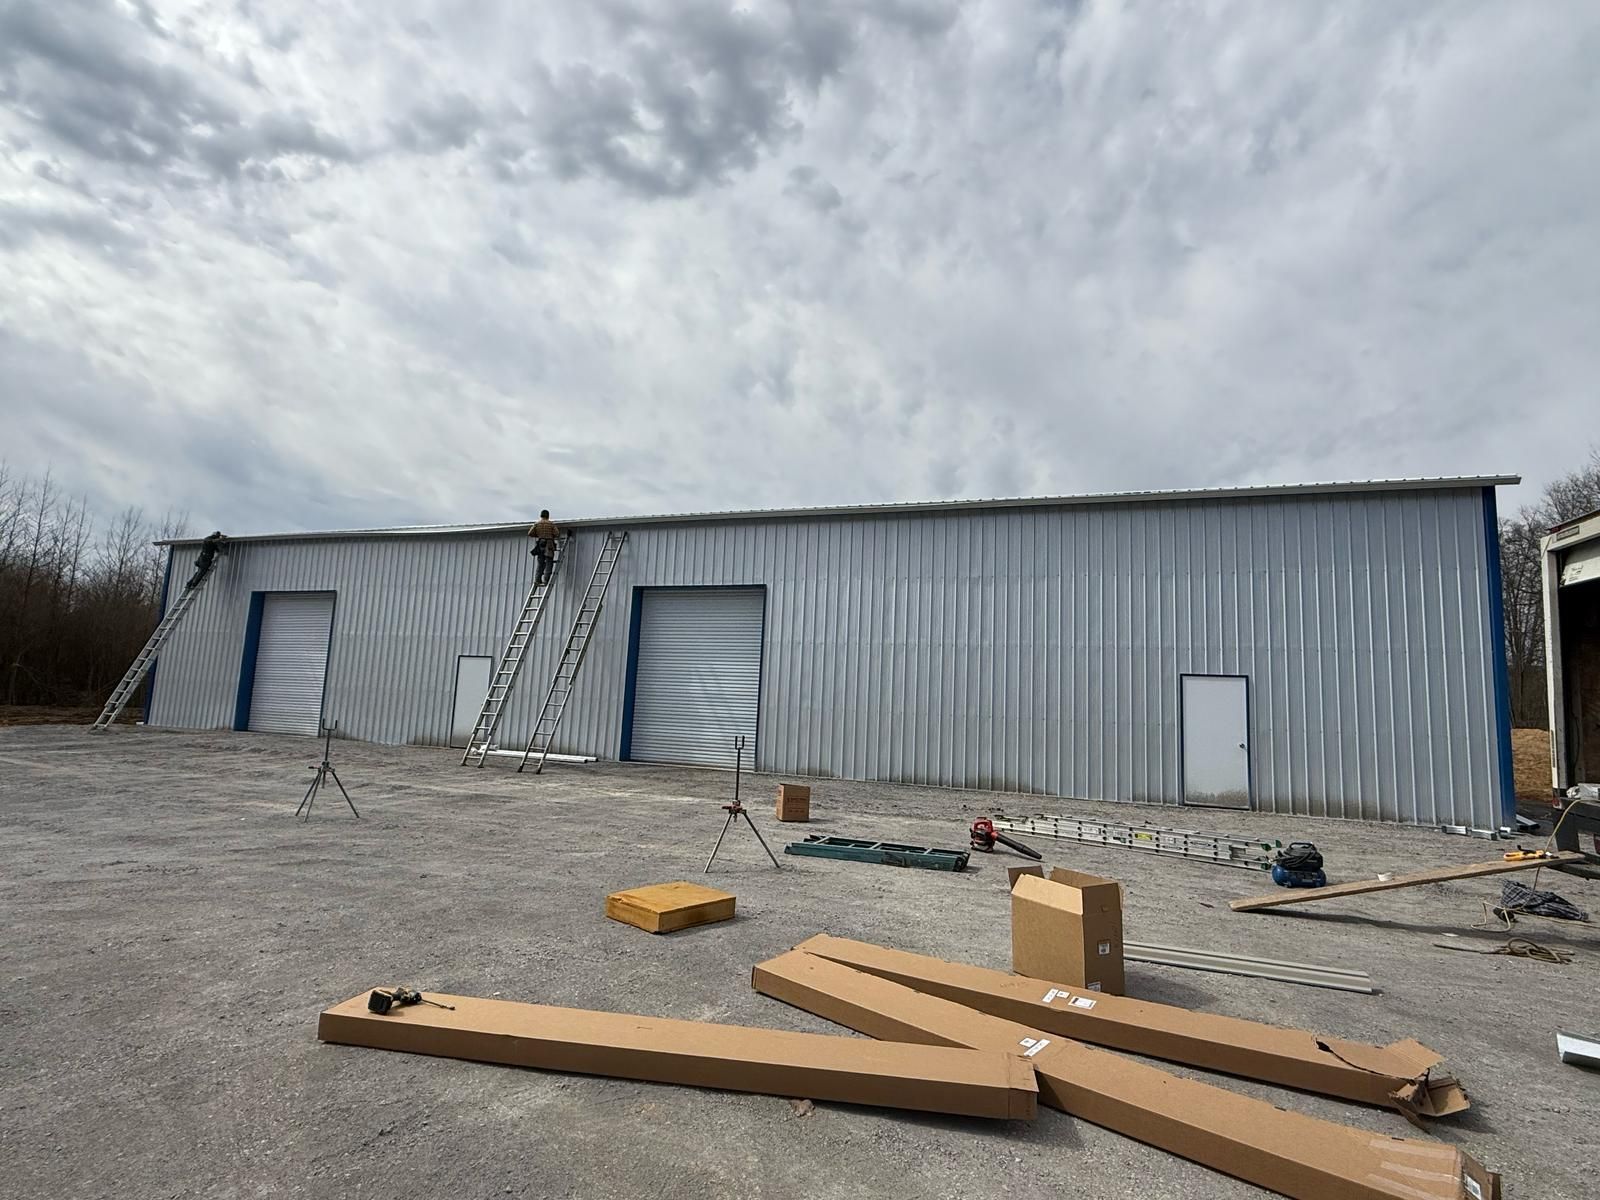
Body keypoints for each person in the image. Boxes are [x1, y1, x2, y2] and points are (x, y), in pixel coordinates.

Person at [528, 510, 561, 584]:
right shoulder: (551, 524)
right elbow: (557, 533)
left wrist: (538, 535)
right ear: (548, 516)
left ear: (541, 515)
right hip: (549, 544)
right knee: (549, 562)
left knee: (540, 563)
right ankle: (546, 579)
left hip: (540, 544)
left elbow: (530, 533)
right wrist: (551, 536)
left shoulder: (537, 524)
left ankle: (537, 579)